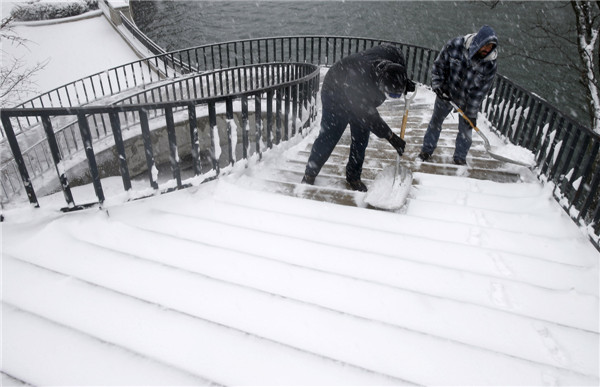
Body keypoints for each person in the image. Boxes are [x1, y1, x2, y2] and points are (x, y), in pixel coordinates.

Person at [301, 44, 416, 192]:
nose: (391, 98)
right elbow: (370, 118)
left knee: (361, 138)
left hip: (362, 97)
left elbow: (396, 68)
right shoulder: (359, 81)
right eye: (389, 95)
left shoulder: (394, 56)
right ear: (380, 84)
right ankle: (310, 174)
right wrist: (391, 137)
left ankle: (353, 177)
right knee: (330, 136)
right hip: (336, 93)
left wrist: (405, 82)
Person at [419, 25, 498, 165]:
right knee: (435, 123)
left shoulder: (489, 64)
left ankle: (460, 158)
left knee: (466, 130)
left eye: (491, 47)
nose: (487, 50)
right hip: (446, 93)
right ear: (478, 42)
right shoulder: (455, 45)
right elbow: (439, 66)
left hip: (467, 100)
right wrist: (438, 86)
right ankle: (426, 150)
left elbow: (479, 92)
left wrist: (471, 115)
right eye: (485, 46)